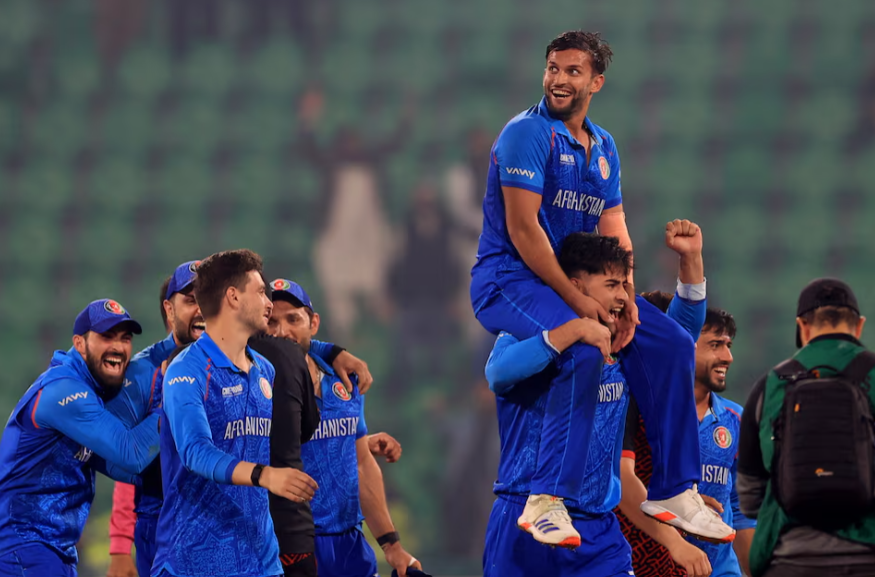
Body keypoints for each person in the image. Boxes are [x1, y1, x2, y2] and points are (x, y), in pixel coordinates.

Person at [469, 29, 732, 544]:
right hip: (510, 280)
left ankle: (675, 490)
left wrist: (625, 296)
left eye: (573, 71)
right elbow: (523, 230)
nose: (559, 79)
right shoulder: (527, 134)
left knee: (672, 343)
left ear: (596, 82)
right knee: (586, 343)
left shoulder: (604, 146)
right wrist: (581, 304)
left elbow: (615, 230)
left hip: (576, 286)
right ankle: (546, 499)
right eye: (553, 68)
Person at [106, 263, 374, 577]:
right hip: (168, 527)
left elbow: (287, 346)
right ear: (169, 309)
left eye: (204, 298)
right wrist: (120, 545)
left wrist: (330, 351)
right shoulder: (148, 372)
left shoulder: (257, 362)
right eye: (191, 300)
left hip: (252, 537)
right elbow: (133, 458)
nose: (201, 309)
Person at [153, 250, 318, 577]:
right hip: (194, 563)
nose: (269, 303)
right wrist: (265, 475)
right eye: (260, 292)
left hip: (262, 560)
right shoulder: (186, 370)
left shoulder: (265, 370)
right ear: (233, 297)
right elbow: (195, 452)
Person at [267, 278, 423, 577]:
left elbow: (361, 463)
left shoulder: (344, 380)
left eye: (293, 319)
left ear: (313, 323)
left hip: (350, 545)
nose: (283, 331)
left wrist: (391, 545)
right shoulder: (256, 385)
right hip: (289, 547)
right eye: (272, 322)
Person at [0, 299, 159, 576]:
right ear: (80, 343)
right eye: (106, 336)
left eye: (125, 338)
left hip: (49, 549)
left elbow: (126, 469)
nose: (118, 346)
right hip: (24, 545)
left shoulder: (88, 392)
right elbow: (131, 454)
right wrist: (174, 402)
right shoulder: (65, 389)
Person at [738, 279, 875, 577]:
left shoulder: (769, 386)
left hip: (789, 560)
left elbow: (749, 499)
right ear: (859, 326)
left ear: (802, 326)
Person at [619, 304, 757, 577]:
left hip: (719, 570)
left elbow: (740, 510)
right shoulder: (638, 412)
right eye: (715, 345)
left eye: (728, 345)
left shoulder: (736, 420)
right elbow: (622, 482)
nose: (728, 357)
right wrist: (677, 538)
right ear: (685, 344)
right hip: (654, 564)